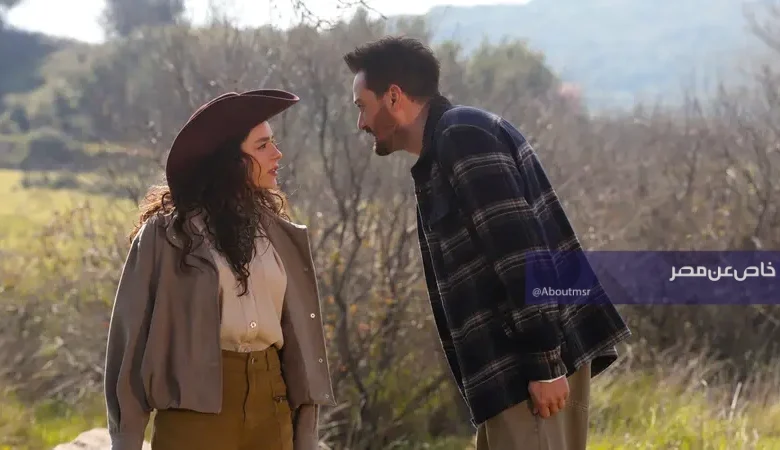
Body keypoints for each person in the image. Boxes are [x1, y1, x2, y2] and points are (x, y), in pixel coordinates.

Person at [342, 37, 631, 450]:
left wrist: (545, 364)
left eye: (362, 106)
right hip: (512, 376)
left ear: (393, 96)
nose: (361, 123)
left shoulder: (462, 136)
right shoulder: (443, 150)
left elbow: (522, 254)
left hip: (529, 370)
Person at [103, 89, 336, 450]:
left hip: (273, 406)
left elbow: (300, 344)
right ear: (230, 160)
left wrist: (305, 433)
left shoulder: (280, 234)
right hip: (194, 413)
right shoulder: (166, 236)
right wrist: (126, 439)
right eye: (262, 146)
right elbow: (129, 340)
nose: (277, 154)